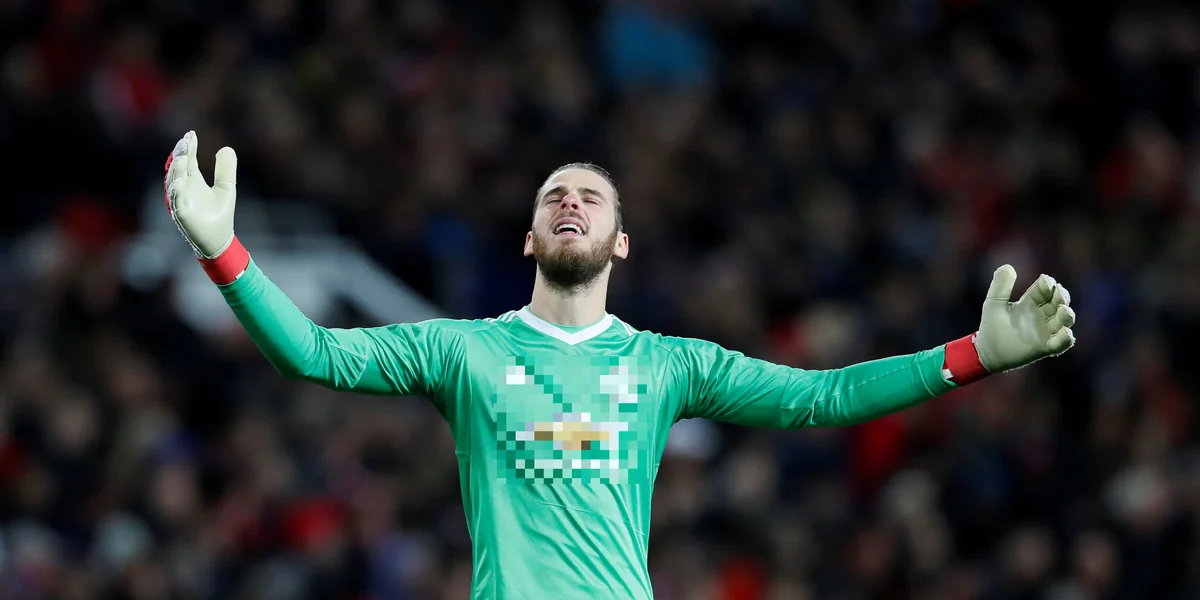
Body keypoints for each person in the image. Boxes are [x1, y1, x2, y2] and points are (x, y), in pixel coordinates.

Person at [162, 131, 1076, 599]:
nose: (571, 203)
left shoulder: (667, 366)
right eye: (554, 196)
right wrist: (222, 252)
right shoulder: (463, 350)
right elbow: (313, 353)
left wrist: (972, 358)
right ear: (530, 237)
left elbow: (821, 396)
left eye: (591, 198)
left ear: (620, 242)